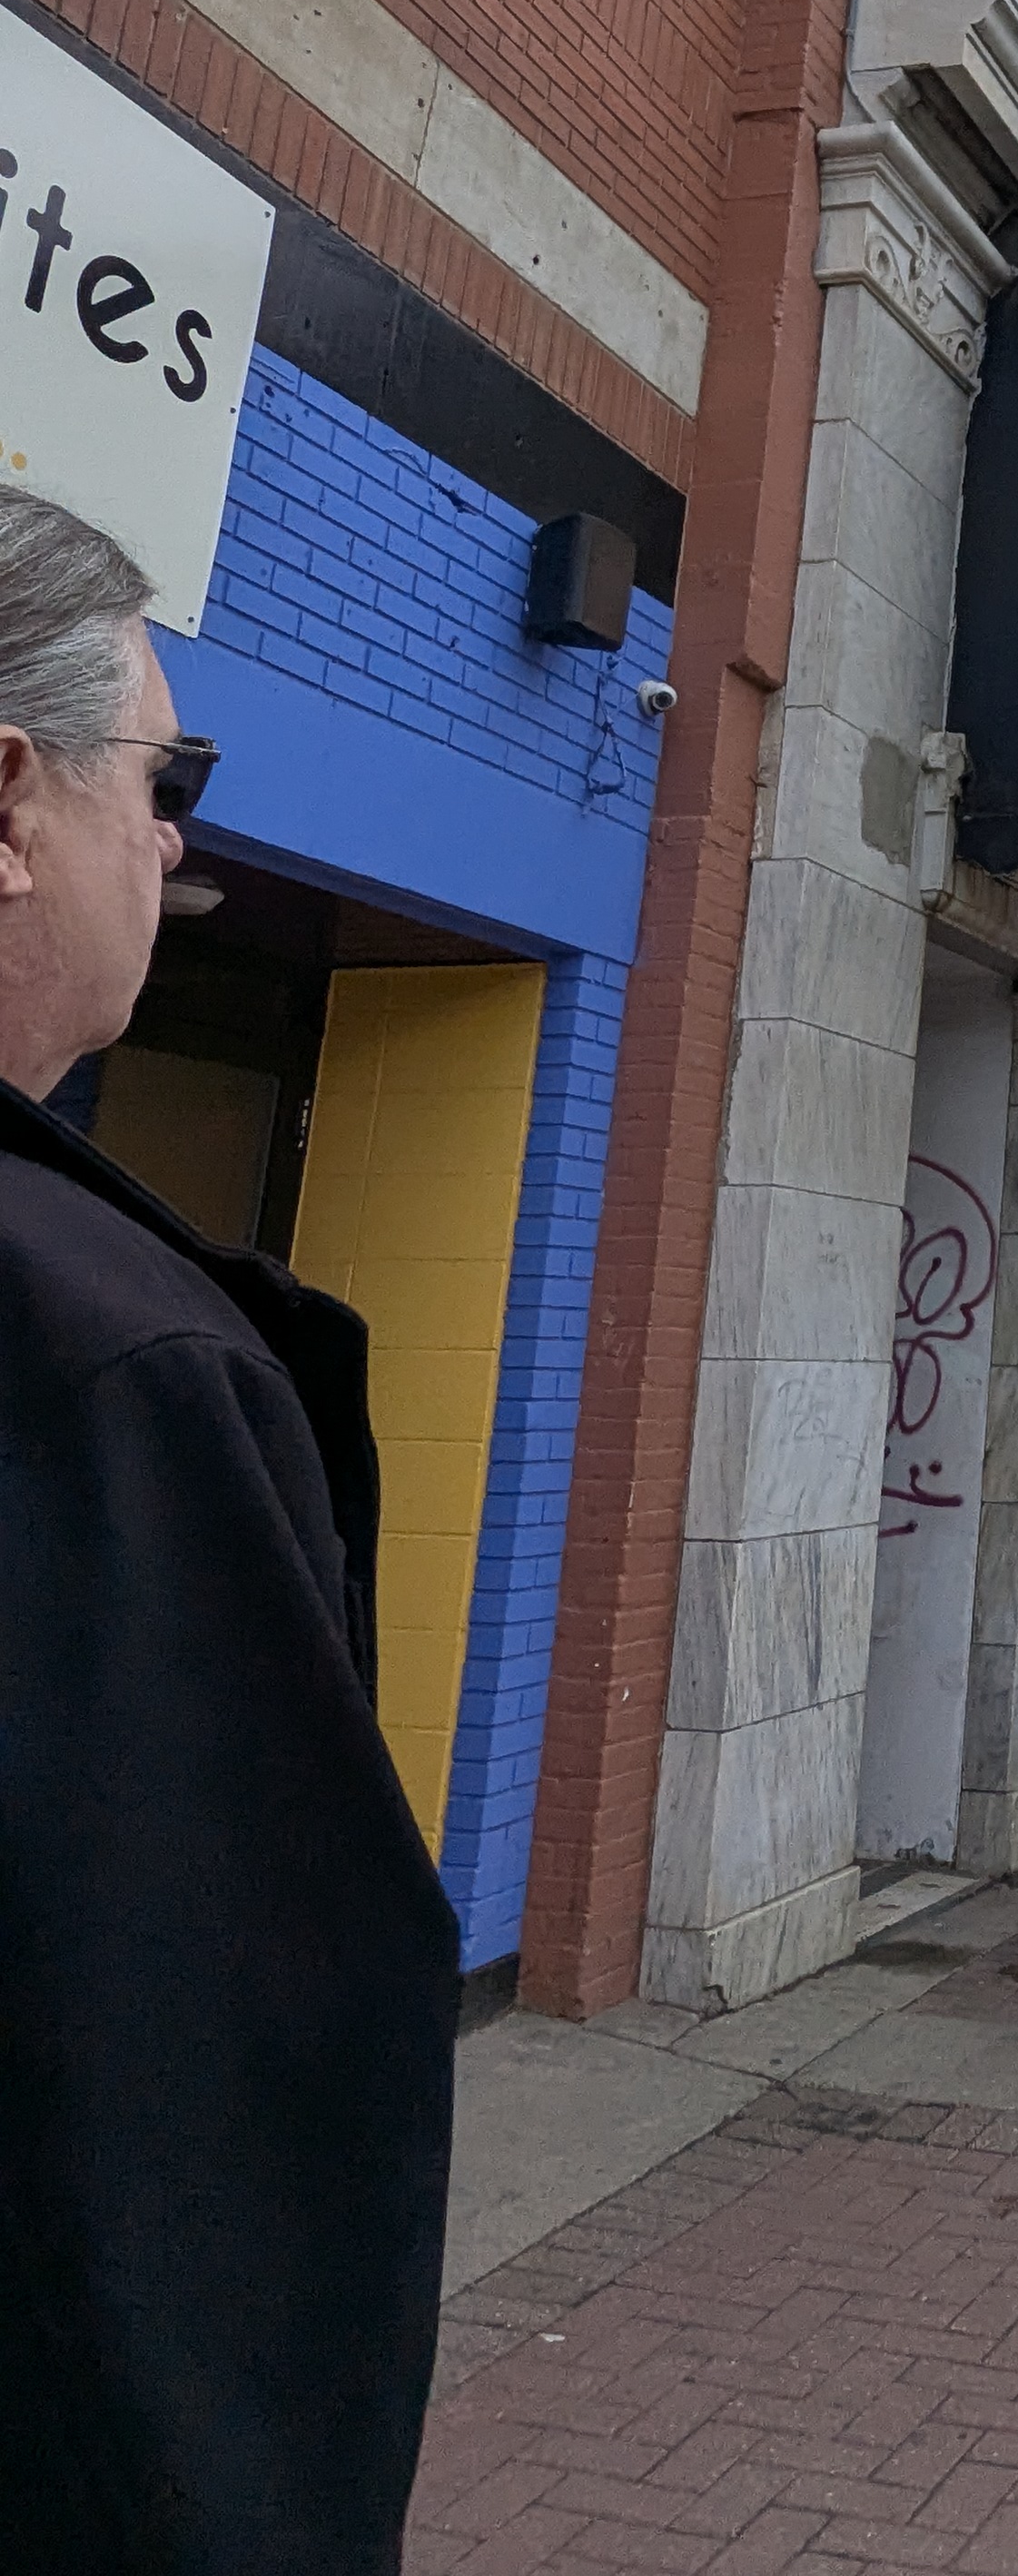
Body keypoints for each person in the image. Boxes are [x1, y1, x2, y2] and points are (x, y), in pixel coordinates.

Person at [0, 487, 459, 2571]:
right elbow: (198, 2179)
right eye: (164, 776)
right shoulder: (113, 1368)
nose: (178, 840)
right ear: (12, 794)